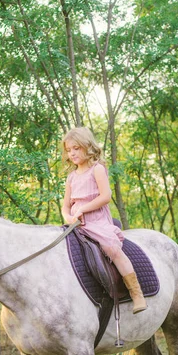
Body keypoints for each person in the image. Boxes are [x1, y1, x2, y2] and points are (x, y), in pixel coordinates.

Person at [62, 127, 147, 313]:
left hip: (96, 220)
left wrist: (83, 208)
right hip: (76, 224)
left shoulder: (97, 169)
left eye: (76, 148)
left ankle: (136, 293)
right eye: (69, 150)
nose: (72, 153)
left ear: (87, 146)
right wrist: (68, 218)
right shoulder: (71, 177)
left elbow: (105, 196)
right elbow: (65, 206)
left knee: (111, 249)